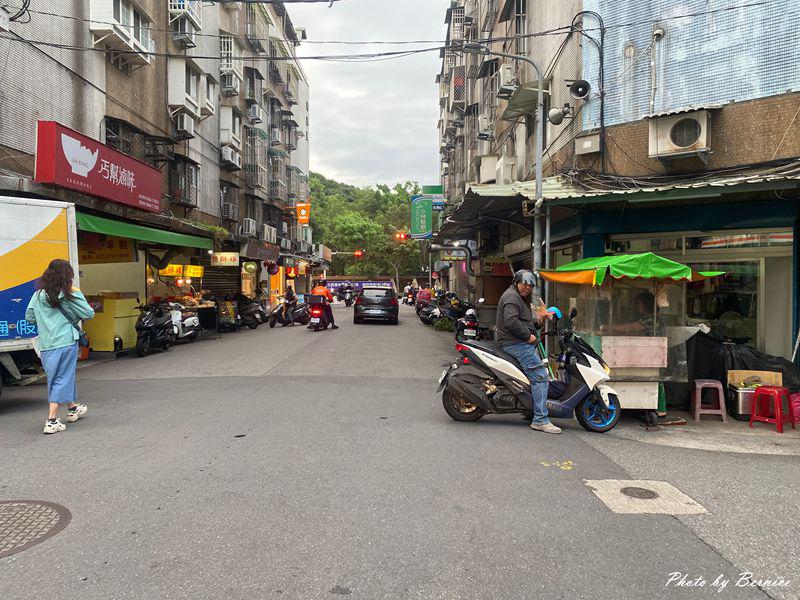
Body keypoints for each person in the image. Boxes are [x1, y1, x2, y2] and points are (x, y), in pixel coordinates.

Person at [25, 259, 95, 435]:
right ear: (67, 275)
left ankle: (73, 409)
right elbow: (89, 313)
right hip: (65, 342)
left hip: (47, 344)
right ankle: (51, 420)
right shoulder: (70, 293)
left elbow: (30, 317)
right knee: (62, 377)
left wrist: (46, 320)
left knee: (57, 377)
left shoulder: (39, 294)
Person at [496, 270, 561, 434]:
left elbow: (523, 321)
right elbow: (511, 321)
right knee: (540, 376)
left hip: (516, 341)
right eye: (524, 283)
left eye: (530, 285)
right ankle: (540, 419)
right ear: (516, 282)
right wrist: (528, 337)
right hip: (515, 343)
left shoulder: (518, 298)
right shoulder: (512, 297)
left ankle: (529, 410)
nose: (527, 287)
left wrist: (539, 321)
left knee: (531, 376)